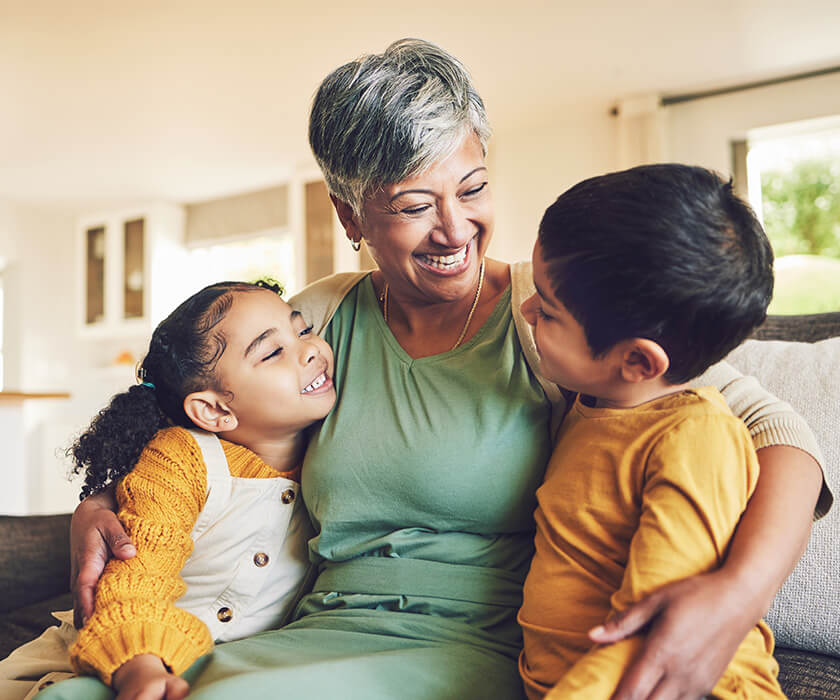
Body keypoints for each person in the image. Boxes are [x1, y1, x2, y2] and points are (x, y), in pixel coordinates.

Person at [46, 39, 830, 700]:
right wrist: (102, 504)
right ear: (351, 217)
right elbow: (200, 416)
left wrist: (735, 597)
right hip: (311, 631)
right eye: (415, 204)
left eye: (474, 187)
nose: (455, 229)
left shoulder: (556, 317)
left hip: (460, 654)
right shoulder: (316, 321)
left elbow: (774, 431)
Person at [518, 164, 787, 699]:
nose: (524, 310)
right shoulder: (593, 406)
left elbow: (648, 633)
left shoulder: (696, 439)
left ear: (638, 361)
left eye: (547, 312)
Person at [0, 280, 335, 700]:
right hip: (107, 662)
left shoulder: (332, 451)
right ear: (214, 409)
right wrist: (139, 667)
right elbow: (136, 579)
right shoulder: (181, 458)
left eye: (303, 330)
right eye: (272, 352)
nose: (310, 350)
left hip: (231, 671)